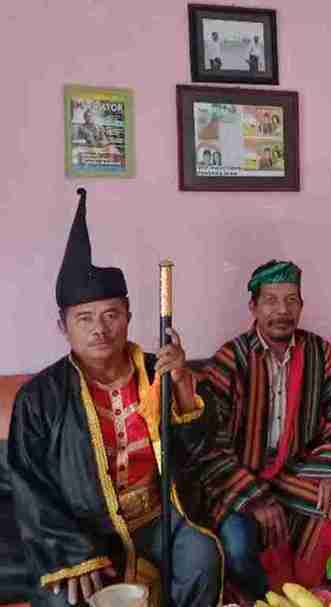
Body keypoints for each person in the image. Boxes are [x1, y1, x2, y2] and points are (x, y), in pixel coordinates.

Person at [8, 191, 221, 607]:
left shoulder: (157, 371)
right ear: (63, 326)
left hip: (159, 517)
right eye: (84, 318)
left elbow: (197, 453)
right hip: (84, 532)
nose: (99, 329)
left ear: (127, 316)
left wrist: (181, 383)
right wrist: (73, 553)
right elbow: (30, 486)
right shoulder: (38, 398)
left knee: (201, 557)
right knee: (66, 598)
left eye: (111, 315)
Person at [197, 260, 331, 598]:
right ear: (253, 307)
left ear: (301, 305)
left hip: (299, 469)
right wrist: (256, 500)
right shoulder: (229, 361)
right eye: (271, 300)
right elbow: (210, 445)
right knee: (237, 544)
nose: (282, 310)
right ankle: (265, 602)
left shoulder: (322, 353)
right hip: (241, 477)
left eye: (291, 300)